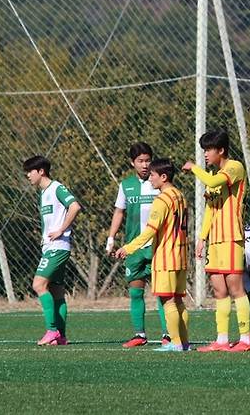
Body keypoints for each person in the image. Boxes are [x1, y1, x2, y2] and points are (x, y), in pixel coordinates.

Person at [182, 128, 250, 352]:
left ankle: (245, 339)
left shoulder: (234, 168)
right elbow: (210, 209)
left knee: (235, 288)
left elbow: (212, 184)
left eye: (208, 150)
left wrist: (193, 168)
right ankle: (222, 340)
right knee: (219, 290)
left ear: (221, 150)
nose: (205, 154)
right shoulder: (213, 176)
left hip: (232, 238)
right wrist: (202, 238)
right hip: (215, 241)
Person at [115, 159, 190, 352]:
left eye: (153, 176)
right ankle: (184, 341)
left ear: (163, 177)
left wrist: (129, 247)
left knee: (168, 300)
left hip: (166, 255)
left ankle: (175, 343)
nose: (150, 179)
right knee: (179, 300)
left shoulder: (161, 200)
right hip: (181, 255)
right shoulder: (180, 196)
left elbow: (150, 231)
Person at [105, 142, 169, 347]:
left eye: (148, 160)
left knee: (162, 293)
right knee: (135, 291)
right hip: (133, 247)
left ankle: (168, 333)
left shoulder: (159, 183)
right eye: (140, 161)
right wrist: (111, 238)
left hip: (157, 246)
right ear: (132, 162)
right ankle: (140, 335)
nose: (144, 165)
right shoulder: (126, 185)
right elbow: (119, 212)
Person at [24, 156, 82, 346]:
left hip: (57, 248)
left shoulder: (56, 188)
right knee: (56, 291)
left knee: (38, 285)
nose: (27, 175)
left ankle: (52, 330)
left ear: (41, 171)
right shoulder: (43, 193)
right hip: (51, 247)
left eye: (30, 171)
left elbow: (75, 206)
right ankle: (61, 336)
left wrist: (62, 229)